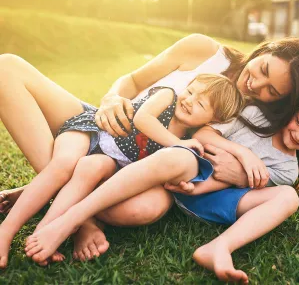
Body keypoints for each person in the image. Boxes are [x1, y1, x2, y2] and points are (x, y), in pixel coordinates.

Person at [0, 34, 299, 276]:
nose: (255, 84)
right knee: (7, 68)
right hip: (117, 128)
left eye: (271, 91)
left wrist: (237, 171)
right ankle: (75, 212)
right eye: (262, 70)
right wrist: (111, 99)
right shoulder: (204, 50)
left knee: (139, 210)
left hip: (150, 168)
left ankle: (65, 202)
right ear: (265, 49)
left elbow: (225, 158)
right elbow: (131, 82)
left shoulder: (250, 111)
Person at [24, 108, 299, 285]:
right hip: (180, 170)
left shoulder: (289, 168)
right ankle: (72, 218)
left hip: (213, 197)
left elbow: (251, 185)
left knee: (288, 196)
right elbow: (205, 133)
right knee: (129, 206)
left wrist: (198, 189)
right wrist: (243, 153)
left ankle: (219, 247)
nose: (298, 134)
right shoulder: (257, 115)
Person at [0, 73, 244, 263]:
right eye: (190, 91)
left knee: (90, 168)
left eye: (200, 103)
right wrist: (178, 142)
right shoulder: (168, 96)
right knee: (62, 165)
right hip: (93, 132)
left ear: (213, 120)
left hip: (110, 160)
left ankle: (46, 232)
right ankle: (6, 231)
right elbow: (142, 119)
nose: (189, 100)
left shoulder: (192, 137)